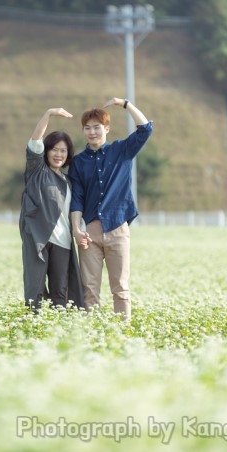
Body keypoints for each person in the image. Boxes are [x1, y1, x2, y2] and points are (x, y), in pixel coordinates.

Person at [68, 98, 153, 320]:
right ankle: (93, 334)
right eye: (87, 128)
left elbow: (145, 129)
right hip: (90, 233)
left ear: (106, 128)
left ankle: (121, 334)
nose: (92, 132)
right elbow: (76, 198)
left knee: (121, 288)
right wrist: (76, 229)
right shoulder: (78, 162)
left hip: (117, 227)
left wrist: (125, 104)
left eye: (97, 127)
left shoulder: (121, 150)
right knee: (90, 290)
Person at [19, 108, 84, 309]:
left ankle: (58, 331)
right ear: (46, 151)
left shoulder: (69, 181)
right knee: (35, 288)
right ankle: (34, 328)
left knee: (60, 291)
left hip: (63, 242)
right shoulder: (37, 170)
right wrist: (47, 114)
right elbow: (35, 140)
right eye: (54, 149)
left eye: (63, 150)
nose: (58, 154)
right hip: (39, 239)